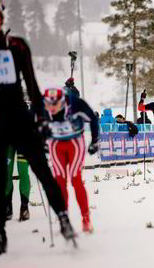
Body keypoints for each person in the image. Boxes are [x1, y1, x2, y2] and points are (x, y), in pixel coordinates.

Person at [0, 0, 74, 256]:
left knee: (41, 170)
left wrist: (40, 117)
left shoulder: (16, 45)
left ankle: (63, 218)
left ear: (1, 18)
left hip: (18, 117)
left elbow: (31, 84)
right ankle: (0, 235)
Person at [42, 87, 99, 233]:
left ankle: (86, 218)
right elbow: (35, 124)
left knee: (75, 179)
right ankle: (64, 218)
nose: (52, 108)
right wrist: (41, 142)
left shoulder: (75, 103)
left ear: (63, 101)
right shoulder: (42, 106)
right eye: (49, 104)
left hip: (75, 142)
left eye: (55, 105)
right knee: (59, 180)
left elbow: (93, 118)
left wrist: (95, 141)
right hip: (56, 144)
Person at [5, 145, 30, 222]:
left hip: (23, 139)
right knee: (6, 173)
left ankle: (24, 207)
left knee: (23, 172)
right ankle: (7, 206)